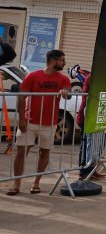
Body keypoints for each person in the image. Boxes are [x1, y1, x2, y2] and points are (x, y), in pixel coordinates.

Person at [6, 49, 70, 195]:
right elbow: (22, 97)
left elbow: (67, 91)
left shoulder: (63, 79)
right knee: (21, 152)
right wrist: (22, 119)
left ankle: (36, 183)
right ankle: (16, 184)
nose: (64, 63)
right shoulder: (33, 76)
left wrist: (65, 92)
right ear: (53, 61)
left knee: (44, 152)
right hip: (29, 121)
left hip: (50, 123)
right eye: (62, 60)